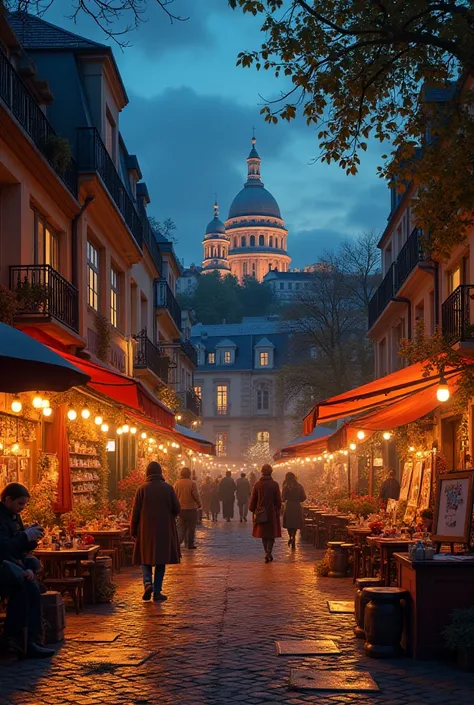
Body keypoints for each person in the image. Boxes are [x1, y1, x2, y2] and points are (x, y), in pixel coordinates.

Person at [0, 482, 55, 658]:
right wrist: (25, 536)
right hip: (4, 568)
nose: (23, 508)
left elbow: (19, 548)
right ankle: (19, 640)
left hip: (14, 566)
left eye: (25, 504)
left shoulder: (14, 516)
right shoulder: (2, 518)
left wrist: (31, 538)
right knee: (24, 588)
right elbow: (3, 548)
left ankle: (28, 640)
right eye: (20, 504)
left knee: (31, 587)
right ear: (8, 499)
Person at [131, 462, 181, 602]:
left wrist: (133, 530)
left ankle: (147, 583)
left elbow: (135, 512)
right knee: (161, 561)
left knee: (144, 558)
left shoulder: (142, 489)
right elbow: (177, 508)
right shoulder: (168, 488)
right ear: (160, 472)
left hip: (145, 530)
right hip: (164, 530)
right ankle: (157, 591)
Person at [249, 464, 282, 563]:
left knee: (263, 534)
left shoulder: (257, 484)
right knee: (271, 534)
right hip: (271, 512)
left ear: (262, 472)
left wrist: (252, 509)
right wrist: (278, 508)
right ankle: (269, 552)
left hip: (261, 512)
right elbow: (278, 501)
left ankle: (266, 552)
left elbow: (253, 500)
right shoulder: (275, 484)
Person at [174, 467, 201, 549]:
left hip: (181, 509)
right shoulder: (192, 483)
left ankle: (176, 543)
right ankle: (190, 544)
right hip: (191, 508)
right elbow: (196, 495)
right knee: (191, 528)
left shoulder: (177, 483)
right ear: (189, 474)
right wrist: (199, 504)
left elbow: (174, 496)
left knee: (181, 528)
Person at [282, 472, 307, 549]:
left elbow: (283, 498)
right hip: (296, 506)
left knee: (289, 524)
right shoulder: (299, 486)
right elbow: (304, 497)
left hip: (289, 506)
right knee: (295, 523)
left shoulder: (285, 487)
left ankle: (290, 537)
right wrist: (298, 499)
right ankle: (293, 536)